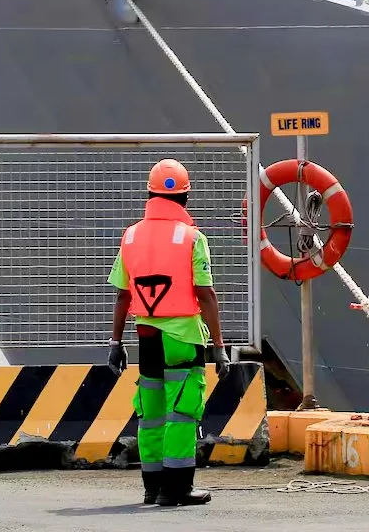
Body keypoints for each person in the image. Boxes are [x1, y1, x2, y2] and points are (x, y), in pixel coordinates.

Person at [107, 159, 228, 507]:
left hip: (145, 336)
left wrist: (115, 343)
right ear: (186, 199)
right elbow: (205, 294)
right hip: (181, 337)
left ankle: (152, 486)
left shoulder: (130, 235)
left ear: (149, 193)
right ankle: (176, 490)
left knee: (152, 411)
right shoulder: (193, 238)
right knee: (182, 410)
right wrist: (219, 346)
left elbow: (122, 295)